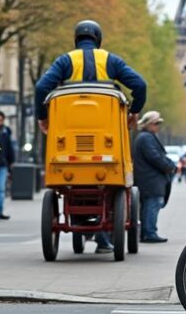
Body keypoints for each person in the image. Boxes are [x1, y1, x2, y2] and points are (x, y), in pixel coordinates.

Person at [35, 19, 147, 254]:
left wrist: (43, 116)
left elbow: (40, 88)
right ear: (98, 39)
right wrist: (134, 111)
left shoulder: (65, 60)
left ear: (76, 38)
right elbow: (140, 84)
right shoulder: (110, 60)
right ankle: (103, 237)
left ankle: (82, 227)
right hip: (108, 155)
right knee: (111, 188)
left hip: (65, 157)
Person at [133, 111, 177, 243]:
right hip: (151, 179)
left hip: (148, 178)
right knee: (153, 204)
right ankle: (149, 233)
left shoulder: (145, 137)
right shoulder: (146, 138)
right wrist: (169, 166)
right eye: (157, 123)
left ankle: (147, 232)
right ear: (149, 124)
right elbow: (154, 157)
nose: (158, 126)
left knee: (149, 205)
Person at [0, 110, 15, 221]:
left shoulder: (6, 131)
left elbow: (9, 148)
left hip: (2, 165)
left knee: (1, 190)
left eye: (1, 119)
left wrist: (11, 163)